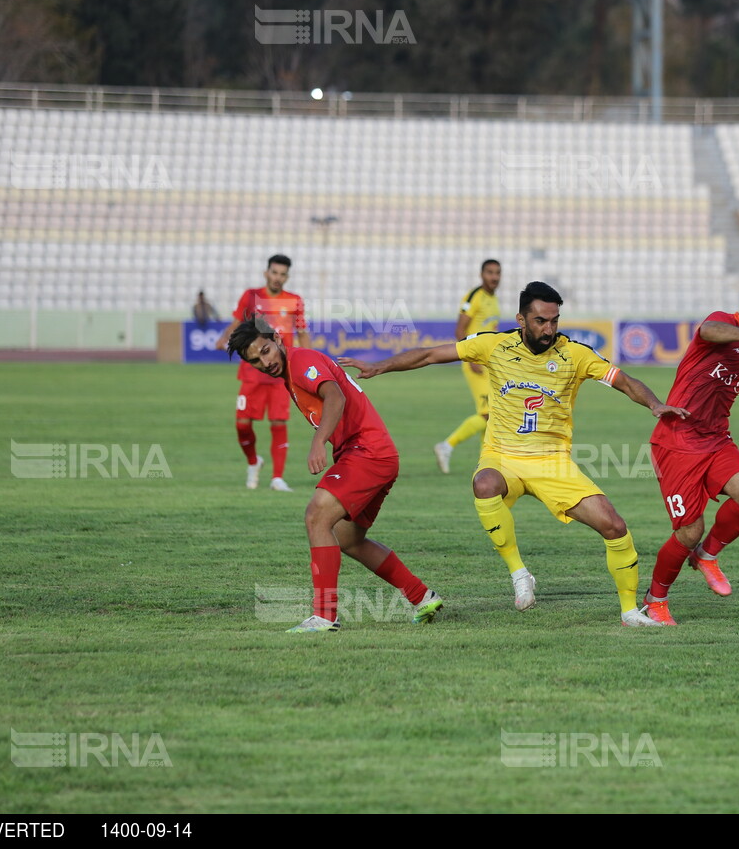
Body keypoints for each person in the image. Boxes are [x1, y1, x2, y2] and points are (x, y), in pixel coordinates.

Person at [340, 281, 690, 628]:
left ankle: (630, 612)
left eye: (554, 321)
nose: (549, 329)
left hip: (553, 463)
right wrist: (380, 366)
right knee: (484, 483)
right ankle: (520, 573)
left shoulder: (576, 354)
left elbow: (625, 381)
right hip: (503, 457)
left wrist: (655, 403)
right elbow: (431, 354)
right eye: (540, 320)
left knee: (614, 525)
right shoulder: (493, 345)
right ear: (521, 319)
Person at [226, 316, 443, 632]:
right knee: (348, 539)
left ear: (276, 338)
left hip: (366, 452)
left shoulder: (301, 360)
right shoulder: (290, 370)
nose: (265, 362)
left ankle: (325, 615)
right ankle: (422, 596)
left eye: (266, 350)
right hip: (372, 454)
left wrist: (318, 443)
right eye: (256, 360)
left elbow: (335, 396)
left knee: (316, 516)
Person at [641, 273, 739, 626]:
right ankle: (654, 601)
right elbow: (708, 329)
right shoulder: (726, 324)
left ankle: (707, 556)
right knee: (688, 531)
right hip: (676, 442)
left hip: (715, 439)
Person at [215, 255, 309, 492]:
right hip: (252, 371)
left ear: (287, 277)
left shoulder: (294, 301)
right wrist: (224, 337)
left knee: (278, 421)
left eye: (282, 274)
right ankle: (253, 461)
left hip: (280, 373)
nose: (278, 278)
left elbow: (302, 331)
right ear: (266, 273)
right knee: (242, 424)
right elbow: (237, 322)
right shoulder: (251, 296)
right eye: (274, 272)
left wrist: (308, 358)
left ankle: (277, 477)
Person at [434, 259, 502, 474]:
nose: (494, 277)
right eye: (490, 272)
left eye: (497, 273)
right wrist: (470, 358)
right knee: (488, 414)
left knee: (492, 415)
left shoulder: (494, 300)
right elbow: (459, 330)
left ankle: (486, 464)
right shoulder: (474, 297)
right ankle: (447, 446)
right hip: (475, 362)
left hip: (487, 363)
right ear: (482, 274)